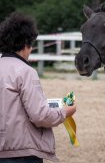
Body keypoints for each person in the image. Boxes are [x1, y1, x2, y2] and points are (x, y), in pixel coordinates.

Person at [0, 12, 76, 163]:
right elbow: (40, 116)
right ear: (26, 44)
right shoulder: (26, 71)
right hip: (21, 153)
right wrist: (65, 112)